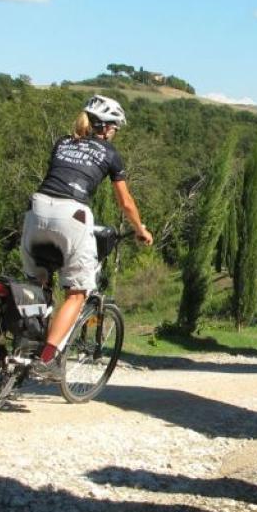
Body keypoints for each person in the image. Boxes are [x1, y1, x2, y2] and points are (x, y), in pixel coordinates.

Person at [21, 94, 153, 379]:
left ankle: (20, 346)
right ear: (105, 127)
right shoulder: (109, 153)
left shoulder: (62, 142)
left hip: (36, 208)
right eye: (115, 128)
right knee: (77, 293)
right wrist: (141, 229)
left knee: (37, 282)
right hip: (72, 214)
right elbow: (126, 203)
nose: (115, 133)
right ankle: (47, 359)